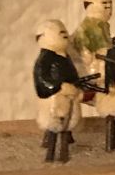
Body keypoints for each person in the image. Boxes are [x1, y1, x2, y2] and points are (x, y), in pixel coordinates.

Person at [34, 19, 86, 162]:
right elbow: (42, 79)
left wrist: (77, 87)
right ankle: (50, 154)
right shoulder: (44, 60)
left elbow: (73, 76)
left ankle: (63, 153)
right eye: (58, 31)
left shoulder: (65, 56)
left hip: (70, 97)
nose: (64, 33)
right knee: (55, 125)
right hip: (55, 100)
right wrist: (59, 87)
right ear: (42, 38)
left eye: (64, 30)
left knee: (68, 124)